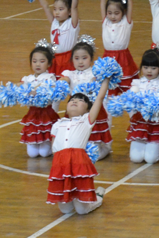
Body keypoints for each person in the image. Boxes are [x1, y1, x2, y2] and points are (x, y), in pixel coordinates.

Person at [46, 79, 110, 215]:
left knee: (81, 211)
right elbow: (54, 147)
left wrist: (105, 81)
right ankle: (77, 199)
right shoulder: (57, 124)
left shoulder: (86, 121)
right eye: (72, 99)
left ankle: (98, 195)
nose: (75, 101)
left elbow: (99, 98)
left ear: (88, 109)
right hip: (60, 163)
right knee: (65, 210)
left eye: (81, 100)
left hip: (78, 162)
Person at [59, 37, 112, 160]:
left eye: (84, 58)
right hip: (75, 114)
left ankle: (104, 148)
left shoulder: (94, 73)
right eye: (76, 58)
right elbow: (62, 81)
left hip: (92, 113)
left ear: (91, 58)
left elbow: (97, 84)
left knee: (93, 152)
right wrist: (58, 84)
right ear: (72, 59)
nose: (80, 62)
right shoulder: (69, 74)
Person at [95, 0, 140, 97]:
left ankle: (133, 112)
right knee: (108, 91)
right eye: (109, 13)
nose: (113, 16)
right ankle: (108, 114)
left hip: (123, 58)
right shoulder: (105, 21)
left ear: (123, 12)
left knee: (128, 89)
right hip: (108, 58)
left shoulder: (126, 22)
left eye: (116, 13)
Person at [126, 49, 159, 164]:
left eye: (153, 68)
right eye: (145, 67)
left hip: (155, 124)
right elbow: (130, 102)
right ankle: (148, 145)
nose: (149, 71)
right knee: (135, 158)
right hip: (141, 123)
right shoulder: (136, 83)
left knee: (150, 159)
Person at [19, 43, 60, 158]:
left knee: (44, 153)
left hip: (46, 113)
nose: (37, 64)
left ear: (49, 64)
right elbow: (19, 86)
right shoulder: (28, 78)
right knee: (31, 155)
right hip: (33, 114)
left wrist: (35, 90)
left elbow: (47, 88)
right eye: (34, 61)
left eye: (42, 61)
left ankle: (51, 145)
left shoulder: (50, 77)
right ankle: (38, 144)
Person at [37, 0, 80, 79]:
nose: (57, 12)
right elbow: (45, 6)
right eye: (55, 9)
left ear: (69, 12)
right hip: (55, 58)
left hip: (69, 58)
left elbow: (74, 7)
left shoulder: (72, 23)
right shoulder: (54, 22)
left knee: (68, 80)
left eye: (61, 9)